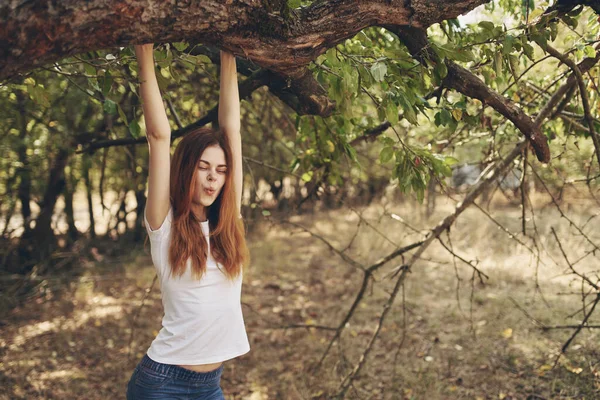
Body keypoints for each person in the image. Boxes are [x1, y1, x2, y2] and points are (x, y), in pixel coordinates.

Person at [126, 43, 250, 400]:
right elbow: (158, 136)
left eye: (221, 171)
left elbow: (232, 130)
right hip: (162, 383)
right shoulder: (164, 224)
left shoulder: (227, 226)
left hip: (209, 386)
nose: (213, 179)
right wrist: (144, 52)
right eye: (204, 168)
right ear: (187, 169)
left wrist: (229, 53)